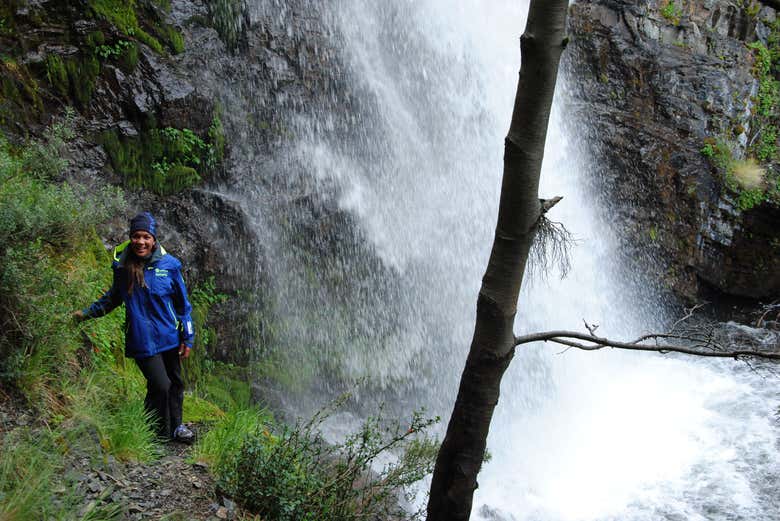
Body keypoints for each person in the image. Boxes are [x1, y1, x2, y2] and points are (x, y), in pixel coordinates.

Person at [74, 212, 195, 443]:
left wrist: (187, 336)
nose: (141, 242)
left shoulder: (170, 265)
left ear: (154, 240)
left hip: (169, 335)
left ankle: (175, 427)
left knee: (175, 383)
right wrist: (85, 315)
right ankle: (158, 431)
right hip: (141, 338)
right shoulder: (122, 268)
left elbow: (183, 305)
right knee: (161, 385)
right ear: (130, 238)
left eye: (146, 237)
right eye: (136, 236)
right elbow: (111, 300)